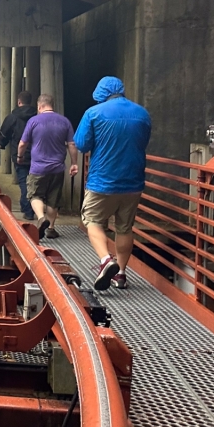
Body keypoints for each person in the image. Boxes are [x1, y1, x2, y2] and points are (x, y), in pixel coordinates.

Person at [74, 76, 152, 291]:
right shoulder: (142, 113)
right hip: (133, 182)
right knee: (125, 228)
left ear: (101, 93)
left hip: (103, 181)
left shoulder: (94, 113)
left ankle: (106, 260)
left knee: (92, 220)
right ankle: (121, 274)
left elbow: (81, 144)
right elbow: (143, 142)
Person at [18, 94, 78, 239]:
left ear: (39, 106)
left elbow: (22, 143)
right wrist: (74, 163)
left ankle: (40, 217)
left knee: (34, 194)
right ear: (52, 105)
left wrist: (20, 156)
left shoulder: (33, 121)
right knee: (53, 199)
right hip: (57, 168)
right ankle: (51, 228)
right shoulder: (64, 121)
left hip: (38, 168)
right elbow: (71, 144)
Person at [0, 91, 37, 219]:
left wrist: (1, 144)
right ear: (30, 102)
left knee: (23, 182)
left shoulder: (12, 117)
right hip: (37, 155)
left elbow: (4, 132)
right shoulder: (37, 116)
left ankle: (28, 210)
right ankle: (33, 207)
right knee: (35, 183)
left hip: (20, 155)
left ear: (19, 102)